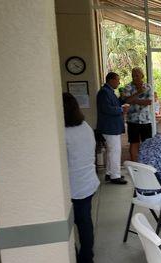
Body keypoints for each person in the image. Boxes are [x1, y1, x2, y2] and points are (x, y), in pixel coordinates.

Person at [63, 93, 100, 263]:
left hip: (74, 185)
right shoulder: (84, 126)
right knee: (85, 222)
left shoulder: (62, 134)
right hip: (88, 182)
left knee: (74, 224)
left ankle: (81, 257)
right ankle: (87, 257)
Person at [97, 72, 133, 184]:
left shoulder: (109, 92)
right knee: (115, 151)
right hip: (109, 127)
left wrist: (122, 100)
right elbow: (106, 109)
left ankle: (109, 173)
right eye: (117, 80)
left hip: (112, 127)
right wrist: (122, 110)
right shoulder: (104, 92)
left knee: (111, 151)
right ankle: (115, 176)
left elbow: (116, 104)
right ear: (111, 80)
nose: (119, 82)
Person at [122, 67, 154, 162]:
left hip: (146, 120)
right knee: (134, 143)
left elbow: (149, 102)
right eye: (133, 75)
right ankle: (134, 166)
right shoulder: (128, 87)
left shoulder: (148, 87)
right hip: (132, 120)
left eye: (137, 75)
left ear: (142, 76)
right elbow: (126, 100)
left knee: (147, 144)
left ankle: (146, 164)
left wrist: (133, 100)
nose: (135, 77)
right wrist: (139, 93)